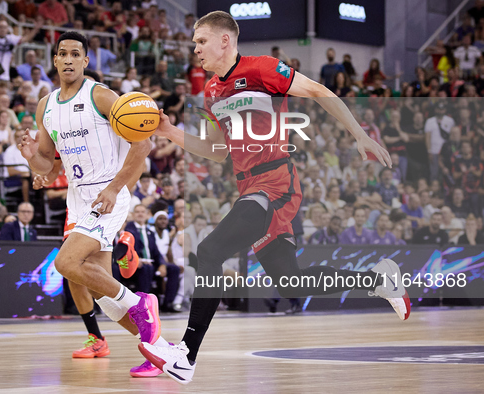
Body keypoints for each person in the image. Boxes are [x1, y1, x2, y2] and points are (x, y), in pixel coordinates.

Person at [139, 11, 408, 385]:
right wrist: (170, 131)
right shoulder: (212, 92)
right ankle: (379, 281)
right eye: (195, 43)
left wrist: (359, 133)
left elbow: (319, 91)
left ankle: (185, 353)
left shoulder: (263, 69)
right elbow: (218, 151)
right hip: (249, 188)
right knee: (291, 284)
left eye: (201, 41)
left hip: (276, 183)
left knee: (212, 251)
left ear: (224, 40)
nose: (196, 49)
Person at [18, 31, 173, 376]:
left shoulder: (101, 96)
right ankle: (161, 351)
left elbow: (143, 145)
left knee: (66, 262)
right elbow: (47, 163)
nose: (69, 59)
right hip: (78, 197)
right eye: (63, 54)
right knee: (99, 289)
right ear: (55, 60)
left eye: (76, 54)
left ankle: (142, 302)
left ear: (86, 61)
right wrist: (30, 157)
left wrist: (116, 188)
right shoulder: (46, 105)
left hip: (107, 194)